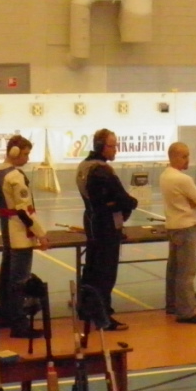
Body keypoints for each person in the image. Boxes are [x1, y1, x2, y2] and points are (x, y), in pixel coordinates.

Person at [77, 129, 138, 330]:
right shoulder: (102, 171)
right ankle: (104, 318)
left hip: (91, 221)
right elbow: (123, 198)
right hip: (106, 225)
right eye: (113, 146)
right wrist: (131, 203)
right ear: (102, 147)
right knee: (106, 272)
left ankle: (85, 309)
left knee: (91, 268)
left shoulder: (83, 166)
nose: (116, 150)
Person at [0, 135, 50, 338]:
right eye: (25, 153)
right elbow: (24, 211)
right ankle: (19, 325)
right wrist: (40, 234)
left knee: (6, 277)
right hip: (19, 233)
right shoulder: (15, 176)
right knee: (19, 281)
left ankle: (8, 316)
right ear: (14, 152)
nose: (27, 158)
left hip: (8, 230)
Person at [159, 141, 196, 324]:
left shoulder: (164, 175)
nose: (187, 159)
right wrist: (194, 200)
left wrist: (192, 200)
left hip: (172, 226)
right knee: (186, 272)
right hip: (186, 228)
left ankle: (172, 305)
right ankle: (186, 312)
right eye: (184, 156)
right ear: (173, 157)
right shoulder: (183, 179)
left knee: (173, 270)